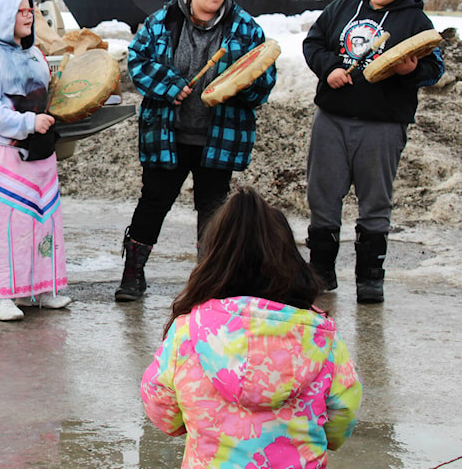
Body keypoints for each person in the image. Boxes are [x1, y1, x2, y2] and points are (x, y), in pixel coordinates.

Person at [140, 187, 362, 466]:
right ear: (289, 259)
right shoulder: (320, 334)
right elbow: (342, 417)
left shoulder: (188, 331)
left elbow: (163, 411)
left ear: (213, 259)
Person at [117, 0, 276, 302]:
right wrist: (169, 84)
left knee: (213, 211)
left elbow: (264, 77)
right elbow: (137, 61)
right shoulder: (162, 21)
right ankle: (133, 274)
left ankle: (209, 281)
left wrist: (238, 85)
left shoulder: (246, 28)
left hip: (219, 139)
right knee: (154, 202)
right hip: (167, 135)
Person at [302, 0, 444, 303]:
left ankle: (370, 277)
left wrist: (412, 70)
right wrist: (330, 68)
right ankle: (320, 273)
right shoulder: (343, 8)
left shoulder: (415, 22)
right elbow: (313, 43)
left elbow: (435, 69)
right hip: (331, 119)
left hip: (382, 125)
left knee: (375, 200)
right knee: (322, 196)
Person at [0, 0, 70, 321]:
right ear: (2, 16)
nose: (29, 15)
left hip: (39, 155)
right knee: (6, 227)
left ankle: (39, 288)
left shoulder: (35, 53)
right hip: (6, 155)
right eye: (21, 10)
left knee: (42, 223)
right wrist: (28, 122)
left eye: (30, 10)